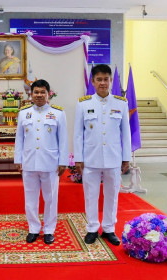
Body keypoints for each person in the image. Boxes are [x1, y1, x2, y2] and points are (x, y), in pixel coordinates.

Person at [73, 64, 131, 246]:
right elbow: (78, 133)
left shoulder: (121, 103)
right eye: (99, 79)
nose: (103, 83)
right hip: (91, 158)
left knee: (112, 194)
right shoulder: (84, 103)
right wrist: (79, 158)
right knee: (91, 194)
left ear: (110, 80)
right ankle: (92, 228)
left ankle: (109, 229)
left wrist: (126, 157)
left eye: (106, 79)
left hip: (114, 158)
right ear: (93, 81)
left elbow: (126, 133)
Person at [14, 79, 69, 245]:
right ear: (31, 94)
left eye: (42, 92)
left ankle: (49, 230)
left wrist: (63, 161)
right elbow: (19, 139)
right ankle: (33, 228)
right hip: (29, 162)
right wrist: (18, 159)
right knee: (30, 198)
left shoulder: (58, 113)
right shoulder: (24, 113)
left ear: (48, 94)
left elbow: (63, 139)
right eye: (36, 92)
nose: (39, 95)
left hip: (50, 163)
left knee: (51, 198)